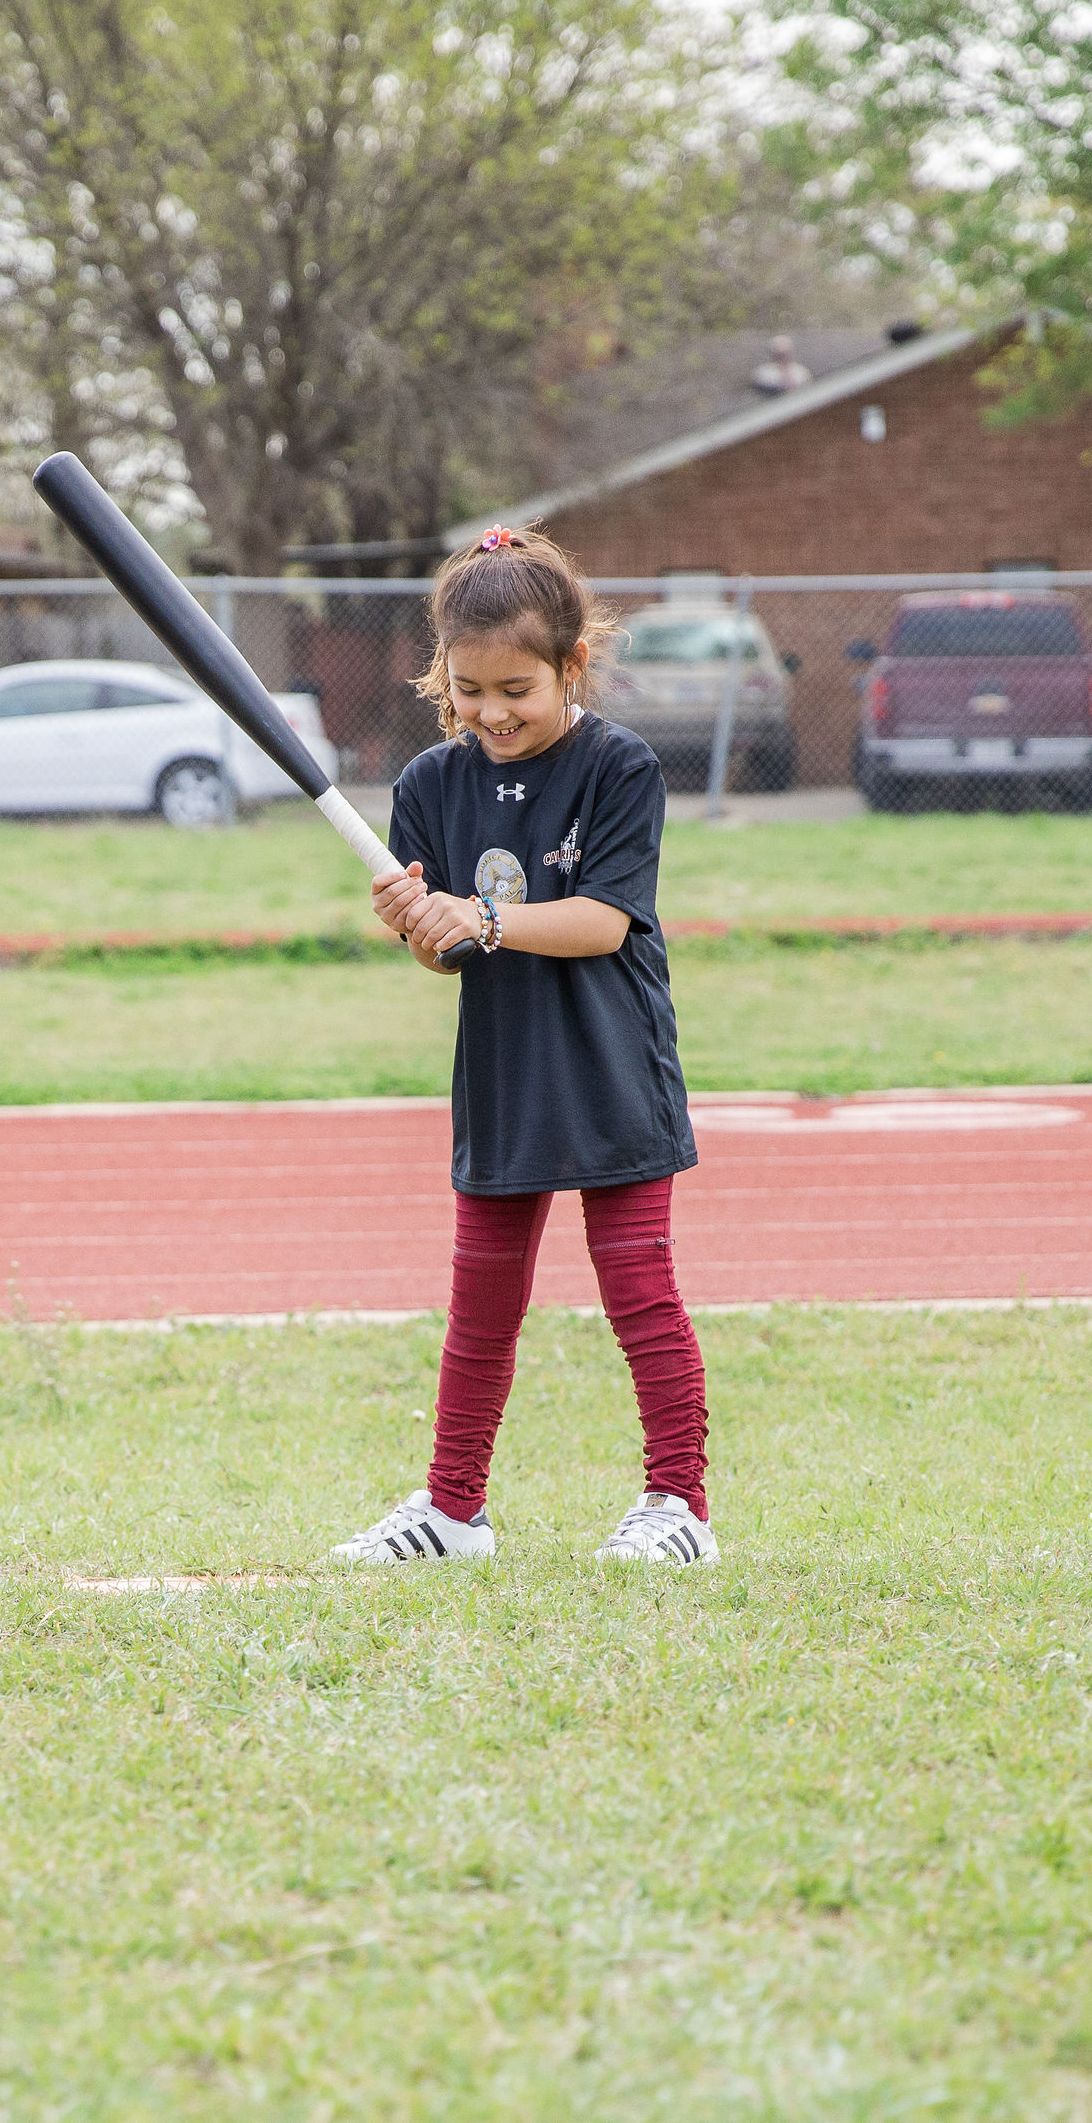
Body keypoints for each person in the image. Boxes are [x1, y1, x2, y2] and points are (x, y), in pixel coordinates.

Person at [327, 526, 718, 1569]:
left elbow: (600, 920)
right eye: (468, 690)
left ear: (570, 668)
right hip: (504, 1072)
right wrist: (422, 927)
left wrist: (480, 918)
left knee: (638, 1288)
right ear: (440, 679)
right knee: (481, 1306)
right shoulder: (429, 784)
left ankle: (678, 1505)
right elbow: (448, 959)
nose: (491, 712)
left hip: (610, 1066)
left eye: (517, 689)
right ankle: (453, 1511)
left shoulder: (618, 767)